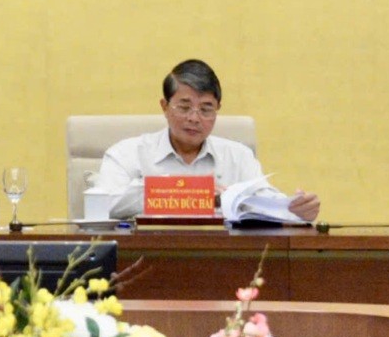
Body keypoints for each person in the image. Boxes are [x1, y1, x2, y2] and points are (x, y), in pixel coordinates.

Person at [97, 59, 321, 222]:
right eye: (184, 107)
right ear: (165, 107)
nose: (194, 118)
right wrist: (187, 193)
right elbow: (102, 205)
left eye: (206, 109)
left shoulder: (238, 156)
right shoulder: (127, 153)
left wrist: (295, 209)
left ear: (217, 110)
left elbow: (265, 202)